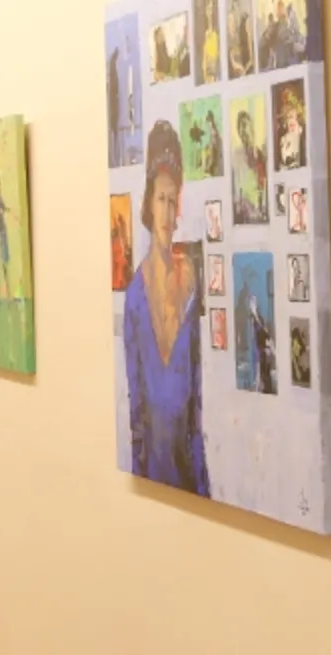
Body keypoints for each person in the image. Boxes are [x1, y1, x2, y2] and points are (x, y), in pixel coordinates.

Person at [122, 120, 210, 496]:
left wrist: (202, 480)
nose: (167, 211)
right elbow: (137, 411)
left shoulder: (190, 281)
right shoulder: (135, 297)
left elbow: (196, 401)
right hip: (153, 473)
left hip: (190, 471)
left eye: (173, 201)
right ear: (147, 203)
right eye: (161, 198)